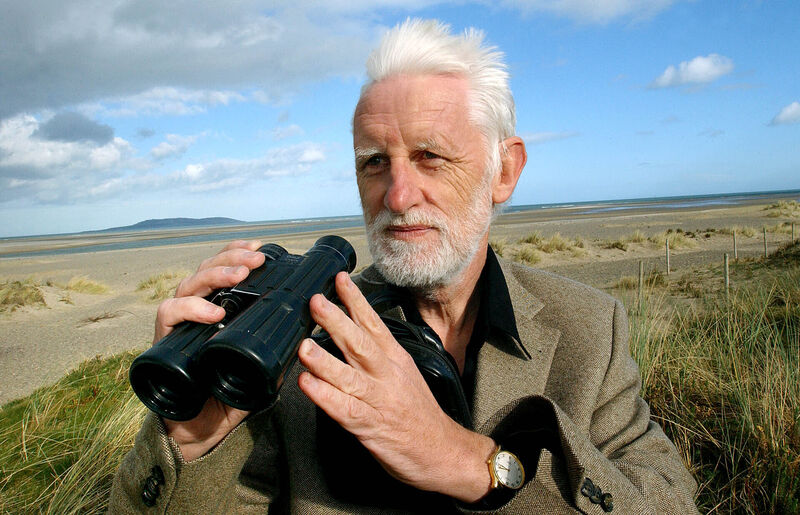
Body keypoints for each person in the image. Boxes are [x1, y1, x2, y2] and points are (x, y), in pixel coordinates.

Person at [110, 19, 698, 513]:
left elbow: (669, 502)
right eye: (374, 162)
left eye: (430, 156)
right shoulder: (294, 341)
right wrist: (192, 442)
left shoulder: (589, 330)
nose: (396, 195)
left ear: (504, 172)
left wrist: (471, 464)